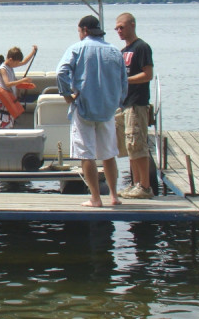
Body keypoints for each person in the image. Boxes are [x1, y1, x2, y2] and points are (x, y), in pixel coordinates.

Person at [56, 16, 127, 207]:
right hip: (108, 109)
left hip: (84, 106)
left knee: (86, 154)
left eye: (79, 31)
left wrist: (67, 96)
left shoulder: (77, 49)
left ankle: (95, 198)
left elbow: (61, 72)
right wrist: (118, 102)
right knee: (109, 153)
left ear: (85, 30)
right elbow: (123, 81)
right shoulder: (114, 51)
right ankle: (114, 196)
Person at [114, 12, 155, 199]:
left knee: (138, 144)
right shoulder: (122, 52)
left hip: (137, 103)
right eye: (116, 28)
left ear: (132, 25)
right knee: (129, 145)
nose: (118, 31)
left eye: (121, 27)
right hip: (125, 104)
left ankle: (145, 186)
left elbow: (147, 74)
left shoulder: (142, 47)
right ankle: (135, 183)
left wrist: (126, 80)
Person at [0, 45, 37, 129]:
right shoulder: (3, 69)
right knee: (4, 124)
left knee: (11, 124)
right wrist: (22, 80)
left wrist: (33, 52)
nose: (17, 65)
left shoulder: (10, 66)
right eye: (16, 63)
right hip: (3, 101)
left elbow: (24, 62)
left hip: (10, 99)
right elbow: (7, 84)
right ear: (10, 60)